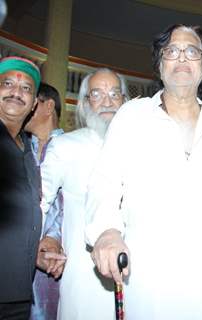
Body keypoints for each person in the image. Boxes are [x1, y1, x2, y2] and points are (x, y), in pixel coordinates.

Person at [85, 24, 202, 319]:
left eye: (192, 51)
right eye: (172, 51)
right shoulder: (132, 116)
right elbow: (105, 180)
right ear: (160, 65)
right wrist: (107, 231)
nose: (181, 58)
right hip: (152, 276)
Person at [40, 68, 129, 319]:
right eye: (97, 94)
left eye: (115, 93)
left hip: (139, 280)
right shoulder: (66, 146)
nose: (107, 101)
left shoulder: (141, 149)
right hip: (85, 280)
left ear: (124, 101)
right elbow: (39, 202)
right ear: (85, 102)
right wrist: (38, 245)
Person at [0, 56, 43, 319]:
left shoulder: (28, 148)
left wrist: (37, 251)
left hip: (17, 294)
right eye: (7, 83)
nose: (17, 92)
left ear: (34, 104)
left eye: (26, 88)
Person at [24, 82, 64, 320]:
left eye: (32, 98)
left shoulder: (74, 148)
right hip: (17, 258)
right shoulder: (18, 148)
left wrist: (53, 237)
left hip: (56, 262)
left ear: (48, 106)